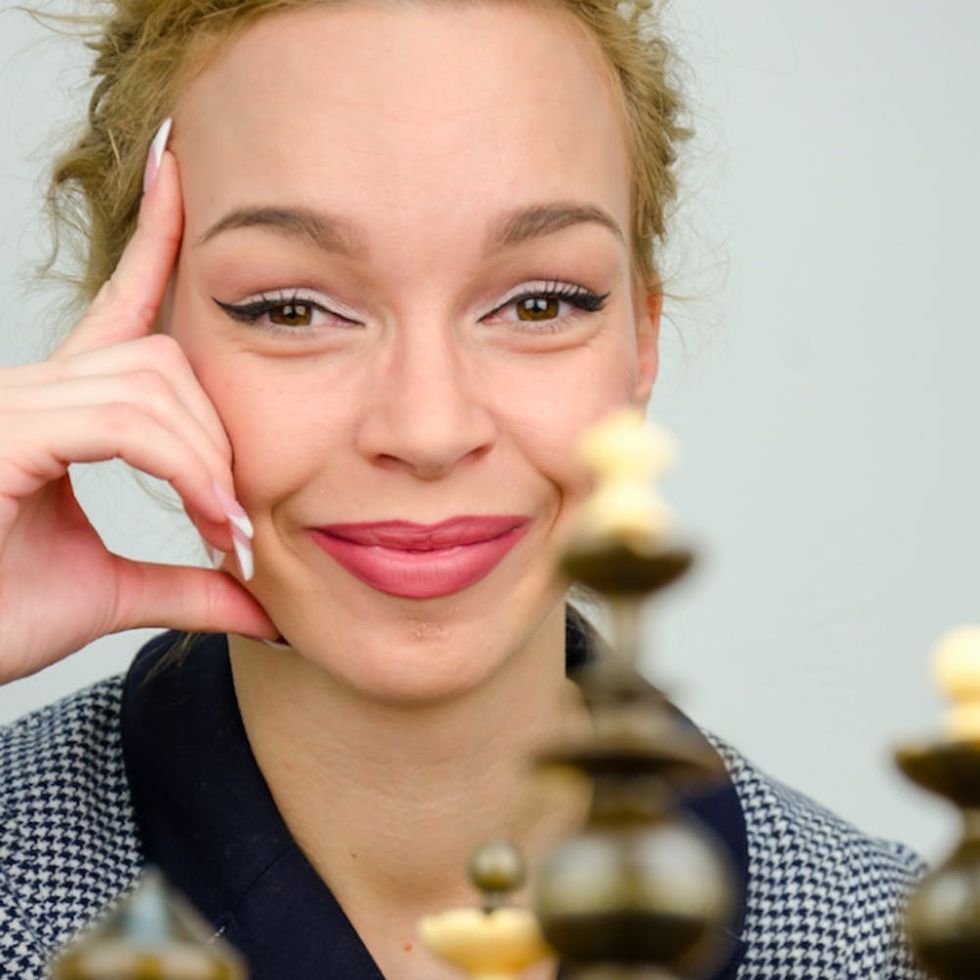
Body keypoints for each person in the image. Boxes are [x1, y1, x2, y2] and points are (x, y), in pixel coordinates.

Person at [0, 1, 927, 978]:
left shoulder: (885, 944)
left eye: (539, 302)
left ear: (639, 340)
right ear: (141, 336)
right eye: (290, 307)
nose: (428, 429)